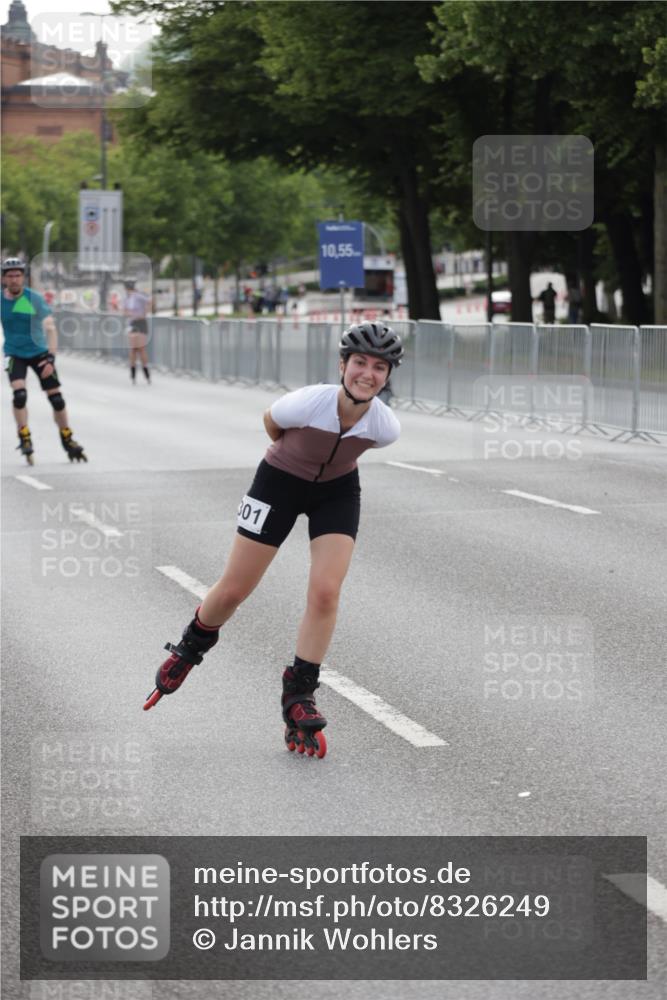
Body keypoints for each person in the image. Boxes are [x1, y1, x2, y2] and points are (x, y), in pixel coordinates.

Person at [143, 321, 404, 758]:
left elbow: (351, 453)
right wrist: (293, 462)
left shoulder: (385, 425)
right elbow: (271, 422)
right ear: (342, 364)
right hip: (278, 483)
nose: (368, 374)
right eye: (360, 362)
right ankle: (190, 646)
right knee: (234, 589)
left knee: (325, 593)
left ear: (389, 375)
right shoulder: (307, 402)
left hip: (337, 492)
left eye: (380, 367)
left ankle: (299, 693)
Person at [1, 257, 87, 464]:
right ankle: (24, 435)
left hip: (39, 353)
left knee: (56, 399)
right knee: (19, 394)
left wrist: (51, 358)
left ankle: (67, 437)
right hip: (14, 353)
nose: (14, 279)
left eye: (18, 275)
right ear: (3, 279)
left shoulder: (34, 299)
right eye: (10, 276)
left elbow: (50, 328)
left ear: (24, 277)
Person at [123, 278, 151, 384]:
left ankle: (146, 372)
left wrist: (144, 313)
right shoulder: (127, 299)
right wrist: (129, 314)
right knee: (133, 349)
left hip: (141, 323)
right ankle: (133, 373)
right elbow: (124, 311)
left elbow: (149, 301)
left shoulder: (139, 296)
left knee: (141, 349)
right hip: (132, 324)